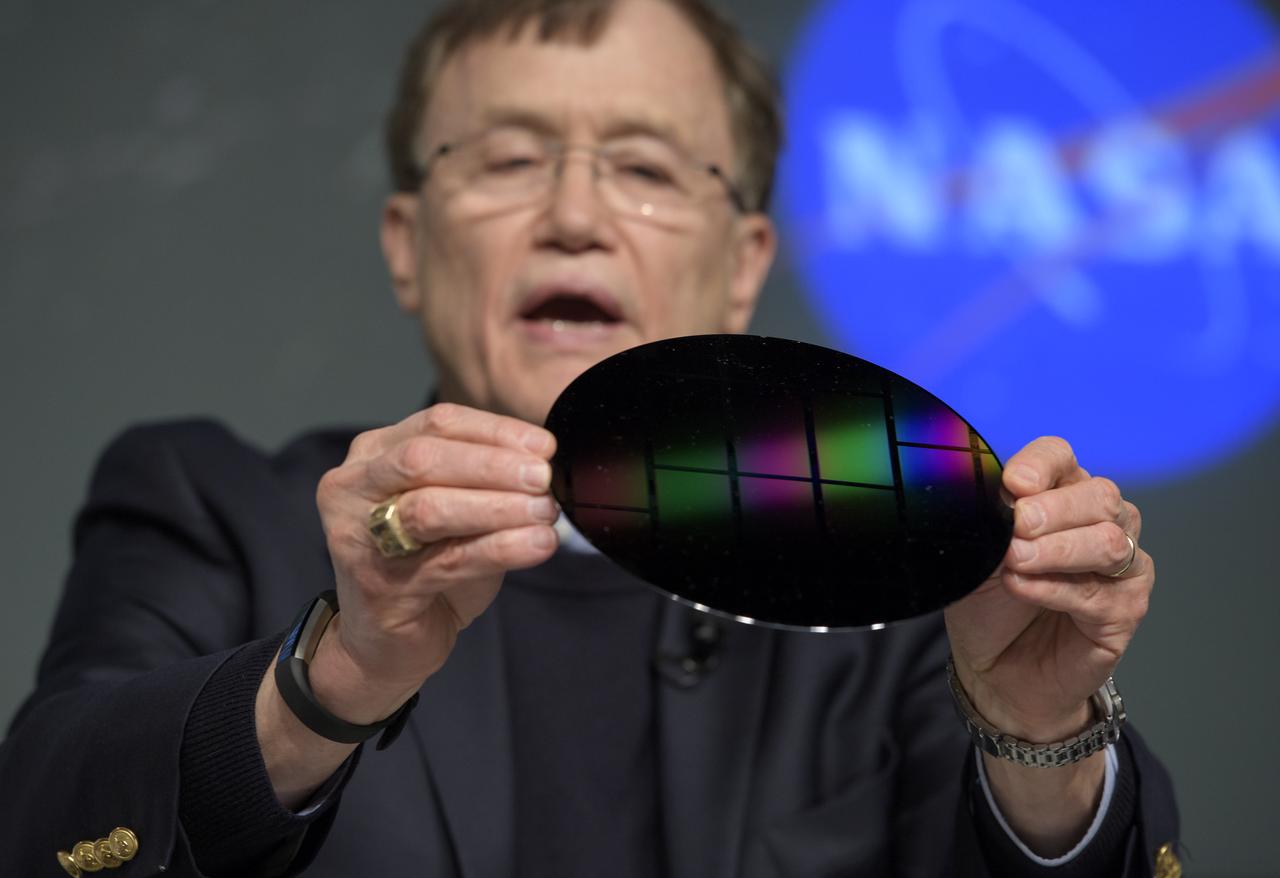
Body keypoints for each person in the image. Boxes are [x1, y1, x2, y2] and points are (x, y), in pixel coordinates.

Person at [1, 0, 1179, 876]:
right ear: (407, 242)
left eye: (646, 167)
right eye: (507, 158)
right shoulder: (208, 503)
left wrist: (1038, 735)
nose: (572, 215)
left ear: (742, 265)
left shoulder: (899, 572)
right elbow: (42, 823)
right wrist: (335, 681)